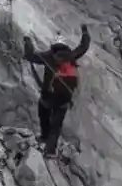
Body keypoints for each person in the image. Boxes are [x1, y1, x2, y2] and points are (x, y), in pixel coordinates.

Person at [23, 24, 91, 159]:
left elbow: (30, 56)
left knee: (44, 115)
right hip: (63, 99)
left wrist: (27, 41)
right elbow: (84, 46)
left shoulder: (48, 56)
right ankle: (50, 151)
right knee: (56, 125)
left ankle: (43, 137)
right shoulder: (72, 55)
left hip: (48, 97)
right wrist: (84, 31)